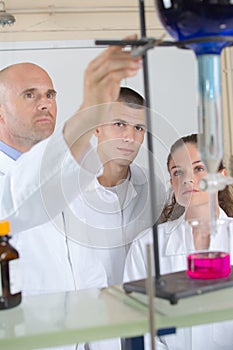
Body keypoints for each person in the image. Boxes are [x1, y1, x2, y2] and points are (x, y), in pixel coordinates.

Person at [0, 36, 143, 298]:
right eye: (29, 95)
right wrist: (89, 112)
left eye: (49, 95)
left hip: (87, 328)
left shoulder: (79, 175)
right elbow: (23, 197)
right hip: (31, 335)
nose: (44, 103)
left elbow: (90, 269)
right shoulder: (8, 182)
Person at [124, 133, 233, 350]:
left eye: (198, 168)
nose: (187, 179)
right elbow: (136, 320)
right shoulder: (146, 246)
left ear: (221, 177)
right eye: (178, 172)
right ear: (172, 182)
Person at [64, 86, 165, 286]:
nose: (129, 137)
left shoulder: (152, 185)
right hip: (91, 310)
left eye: (139, 128)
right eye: (119, 124)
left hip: (144, 306)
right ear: (97, 127)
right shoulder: (69, 191)